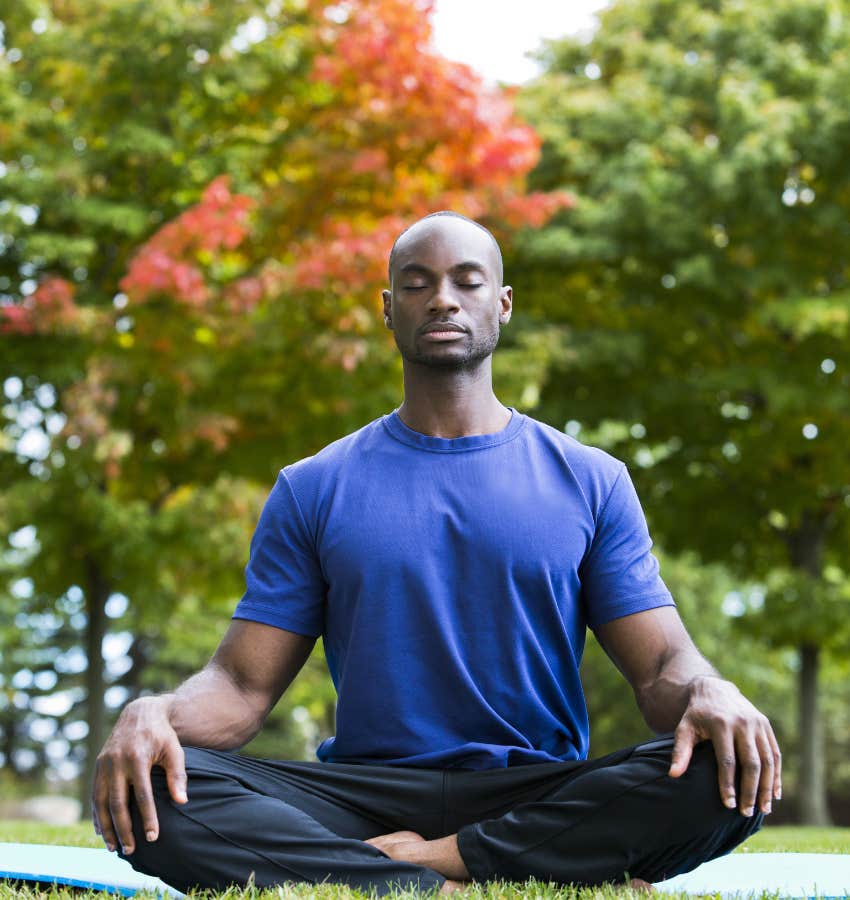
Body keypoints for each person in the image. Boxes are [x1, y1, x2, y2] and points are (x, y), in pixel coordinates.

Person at [92, 211, 781, 895]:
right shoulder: (313, 487)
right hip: (364, 794)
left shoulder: (591, 479)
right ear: (389, 311)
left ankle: (434, 863)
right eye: (417, 284)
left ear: (502, 304)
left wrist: (709, 689)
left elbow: (661, 670)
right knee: (152, 783)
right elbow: (241, 690)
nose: (443, 298)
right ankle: (487, 875)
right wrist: (157, 713)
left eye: (467, 281)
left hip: (537, 789)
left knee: (726, 761)